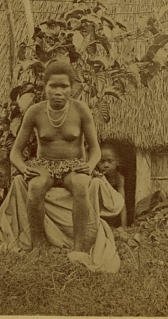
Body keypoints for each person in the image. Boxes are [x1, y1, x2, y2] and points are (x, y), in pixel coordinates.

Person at [10, 60, 101, 255]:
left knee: (80, 185)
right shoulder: (35, 112)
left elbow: (95, 149)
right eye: (53, 86)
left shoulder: (80, 109)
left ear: (72, 88)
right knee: (35, 186)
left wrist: (90, 166)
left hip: (74, 165)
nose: (58, 91)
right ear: (44, 87)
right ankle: (38, 245)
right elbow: (15, 152)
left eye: (64, 86)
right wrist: (24, 168)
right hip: (44, 165)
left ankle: (78, 249)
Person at [97, 142, 128, 228]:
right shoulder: (97, 178)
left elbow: (122, 202)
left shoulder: (119, 178)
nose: (106, 165)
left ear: (117, 162)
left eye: (110, 161)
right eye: (102, 161)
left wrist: (124, 227)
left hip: (114, 212)